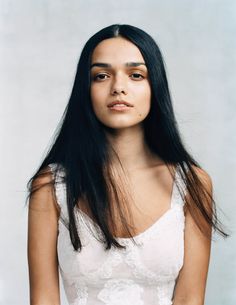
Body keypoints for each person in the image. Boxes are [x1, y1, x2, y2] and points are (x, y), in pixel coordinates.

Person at [26, 24, 228, 305]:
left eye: (135, 75)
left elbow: (190, 298)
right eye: (101, 75)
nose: (118, 87)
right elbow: (44, 298)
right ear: (86, 90)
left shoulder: (193, 184)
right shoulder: (51, 186)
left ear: (154, 86)